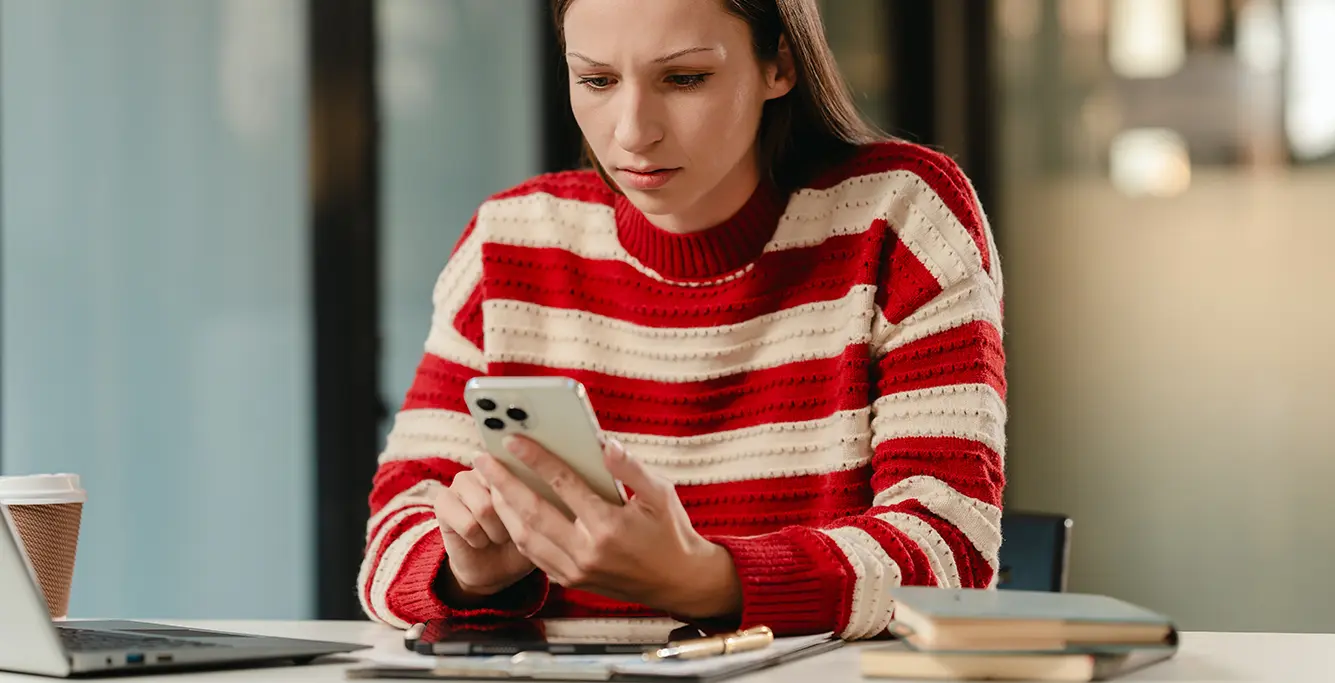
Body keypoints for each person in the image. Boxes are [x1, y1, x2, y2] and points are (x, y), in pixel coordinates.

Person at [357, 0, 1006, 641]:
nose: (633, 131)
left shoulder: (901, 221)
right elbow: (392, 535)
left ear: (780, 64)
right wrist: (466, 572)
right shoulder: (510, 243)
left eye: (684, 78)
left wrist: (704, 579)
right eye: (597, 80)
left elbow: (951, 554)